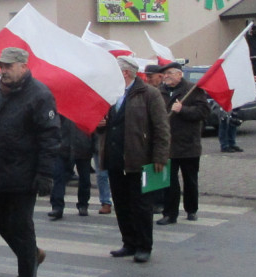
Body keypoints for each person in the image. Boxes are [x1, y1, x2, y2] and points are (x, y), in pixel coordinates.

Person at [0, 47, 60, 277]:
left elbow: (50, 137)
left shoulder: (39, 95)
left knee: (22, 226)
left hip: (24, 172)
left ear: (23, 66)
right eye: (1, 66)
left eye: (9, 66)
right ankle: (32, 254)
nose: (3, 71)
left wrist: (45, 174)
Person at [99, 56, 170, 263]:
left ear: (125, 73)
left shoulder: (149, 94)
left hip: (140, 159)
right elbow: (103, 122)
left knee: (141, 206)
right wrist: (100, 124)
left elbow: (162, 128)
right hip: (114, 158)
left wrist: (160, 156)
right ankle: (128, 243)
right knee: (121, 204)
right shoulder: (111, 93)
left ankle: (143, 246)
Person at [156, 62, 210, 225]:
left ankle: (191, 209)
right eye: (165, 74)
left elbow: (204, 112)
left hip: (188, 144)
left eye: (170, 73)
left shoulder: (193, 90)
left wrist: (183, 109)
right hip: (168, 144)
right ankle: (170, 213)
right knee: (169, 181)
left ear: (180, 74)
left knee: (190, 180)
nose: (167, 76)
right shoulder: (160, 92)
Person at [49, 114, 95, 219]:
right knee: (58, 177)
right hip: (64, 147)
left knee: (85, 179)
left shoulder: (87, 108)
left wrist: (94, 146)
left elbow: (94, 128)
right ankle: (57, 206)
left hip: (83, 147)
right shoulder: (63, 107)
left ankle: (83, 204)